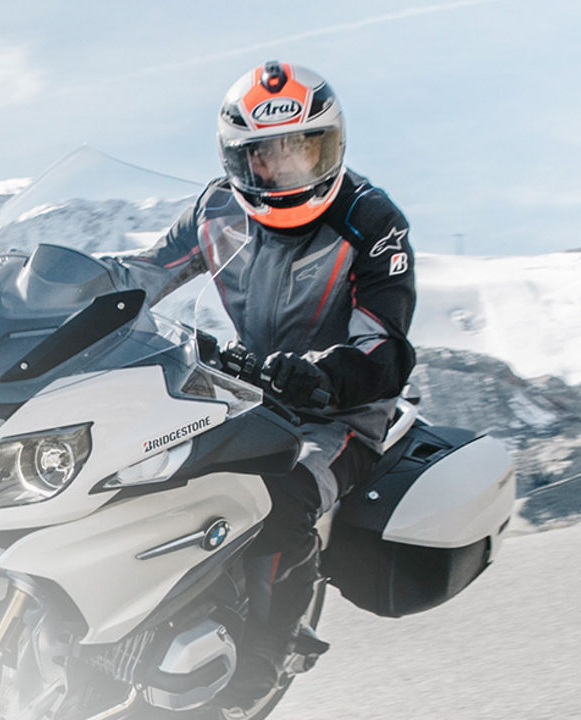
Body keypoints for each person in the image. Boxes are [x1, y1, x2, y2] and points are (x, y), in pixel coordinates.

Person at [109, 60, 418, 709]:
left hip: (340, 416)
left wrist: (322, 375)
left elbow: (385, 348)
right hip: (243, 392)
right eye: (264, 158)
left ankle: (262, 660)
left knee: (283, 494)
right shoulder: (215, 210)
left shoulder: (372, 221)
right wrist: (73, 290)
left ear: (331, 146)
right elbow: (143, 273)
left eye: (302, 152)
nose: (282, 172)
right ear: (236, 161)